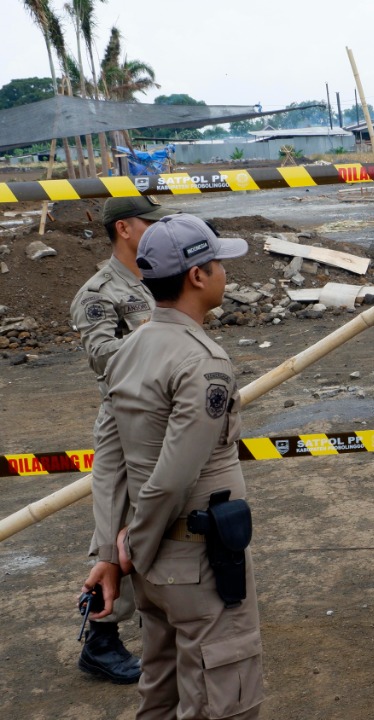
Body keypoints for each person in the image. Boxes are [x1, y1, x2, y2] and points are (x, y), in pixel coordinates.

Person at [79, 213, 265, 718]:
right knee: (221, 699)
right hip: (196, 562)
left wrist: (111, 553)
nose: (226, 272)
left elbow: (110, 460)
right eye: (218, 263)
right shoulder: (202, 362)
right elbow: (172, 479)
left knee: (160, 694)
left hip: (154, 568)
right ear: (197, 277)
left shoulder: (131, 347)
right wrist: (132, 547)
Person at [69, 196, 177, 683]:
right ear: (126, 229)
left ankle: (165, 616)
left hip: (168, 410)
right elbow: (105, 358)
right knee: (115, 521)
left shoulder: (159, 277)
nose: (159, 229)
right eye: (151, 222)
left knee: (169, 513)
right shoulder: (99, 291)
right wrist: (160, 332)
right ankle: (101, 637)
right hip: (123, 416)